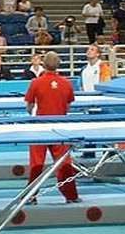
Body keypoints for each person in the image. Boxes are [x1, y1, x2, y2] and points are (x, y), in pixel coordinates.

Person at [23, 51, 80, 203]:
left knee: (36, 163)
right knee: (64, 163)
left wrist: (35, 115)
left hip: (40, 128)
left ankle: (31, 196)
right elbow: (68, 106)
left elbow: (29, 106)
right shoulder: (66, 83)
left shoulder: (36, 82)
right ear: (59, 64)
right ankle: (71, 195)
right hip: (59, 128)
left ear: (43, 64)